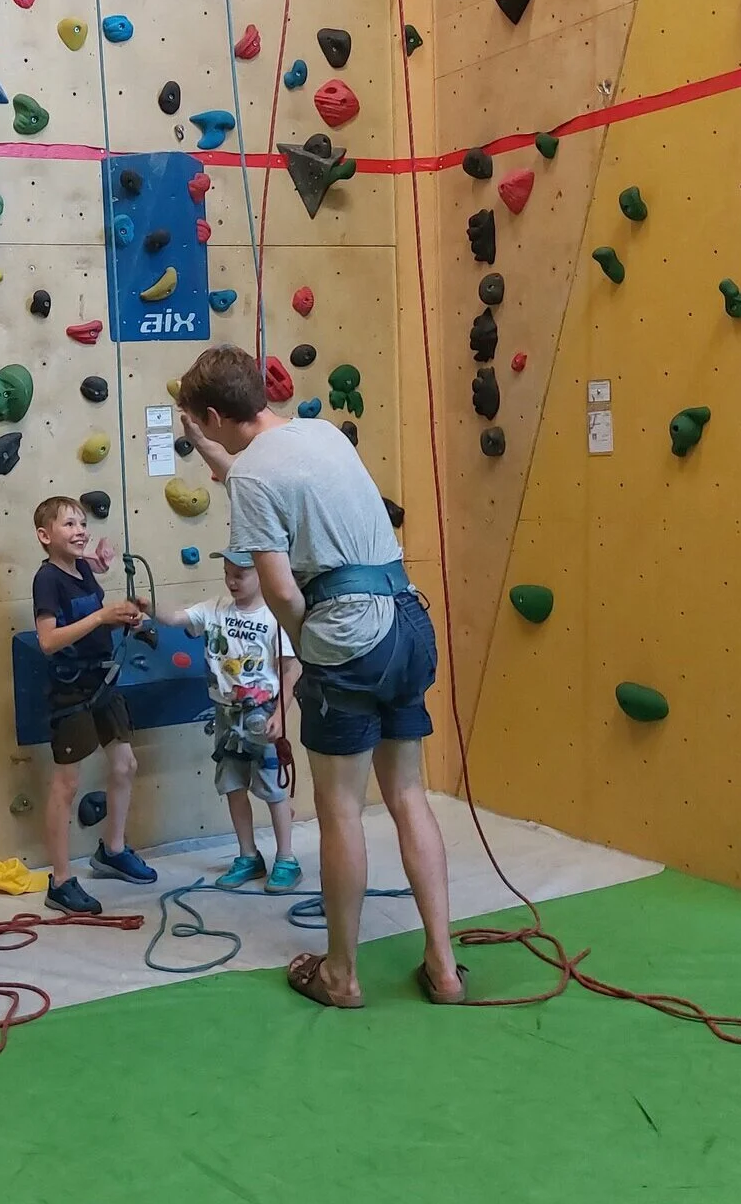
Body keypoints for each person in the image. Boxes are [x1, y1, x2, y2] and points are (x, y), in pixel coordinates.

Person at [176, 346, 466, 1008]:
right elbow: (267, 479)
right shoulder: (321, 433)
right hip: (407, 619)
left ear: (214, 415)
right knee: (408, 794)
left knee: (340, 810)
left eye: (203, 425)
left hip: (347, 634)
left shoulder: (253, 476)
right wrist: (210, 451)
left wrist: (310, 645)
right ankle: (444, 966)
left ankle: (341, 974)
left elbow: (280, 589)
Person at [146, 549, 302, 890]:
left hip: (262, 713)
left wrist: (280, 713)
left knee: (273, 788)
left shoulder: (274, 617)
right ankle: (248, 855)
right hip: (226, 715)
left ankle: (287, 857)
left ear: (261, 574)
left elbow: (291, 670)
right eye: (227, 573)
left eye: (239, 575)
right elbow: (176, 618)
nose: (231, 581)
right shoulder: (215, 608)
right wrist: (147, 606)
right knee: (233, 785)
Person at [31, 496, 157, 915]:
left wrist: (124, 617)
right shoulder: (47, 580)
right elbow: (48, 641)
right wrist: (103, 617)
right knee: (67, 784)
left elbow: (94, 584)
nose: (80, 531)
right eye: (69, 524)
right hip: (71, 690)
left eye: (82, 524)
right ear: (45, 536)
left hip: (103, 681)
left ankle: (112, 850)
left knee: (125, 764)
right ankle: (60, 881)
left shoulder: (81, 569)